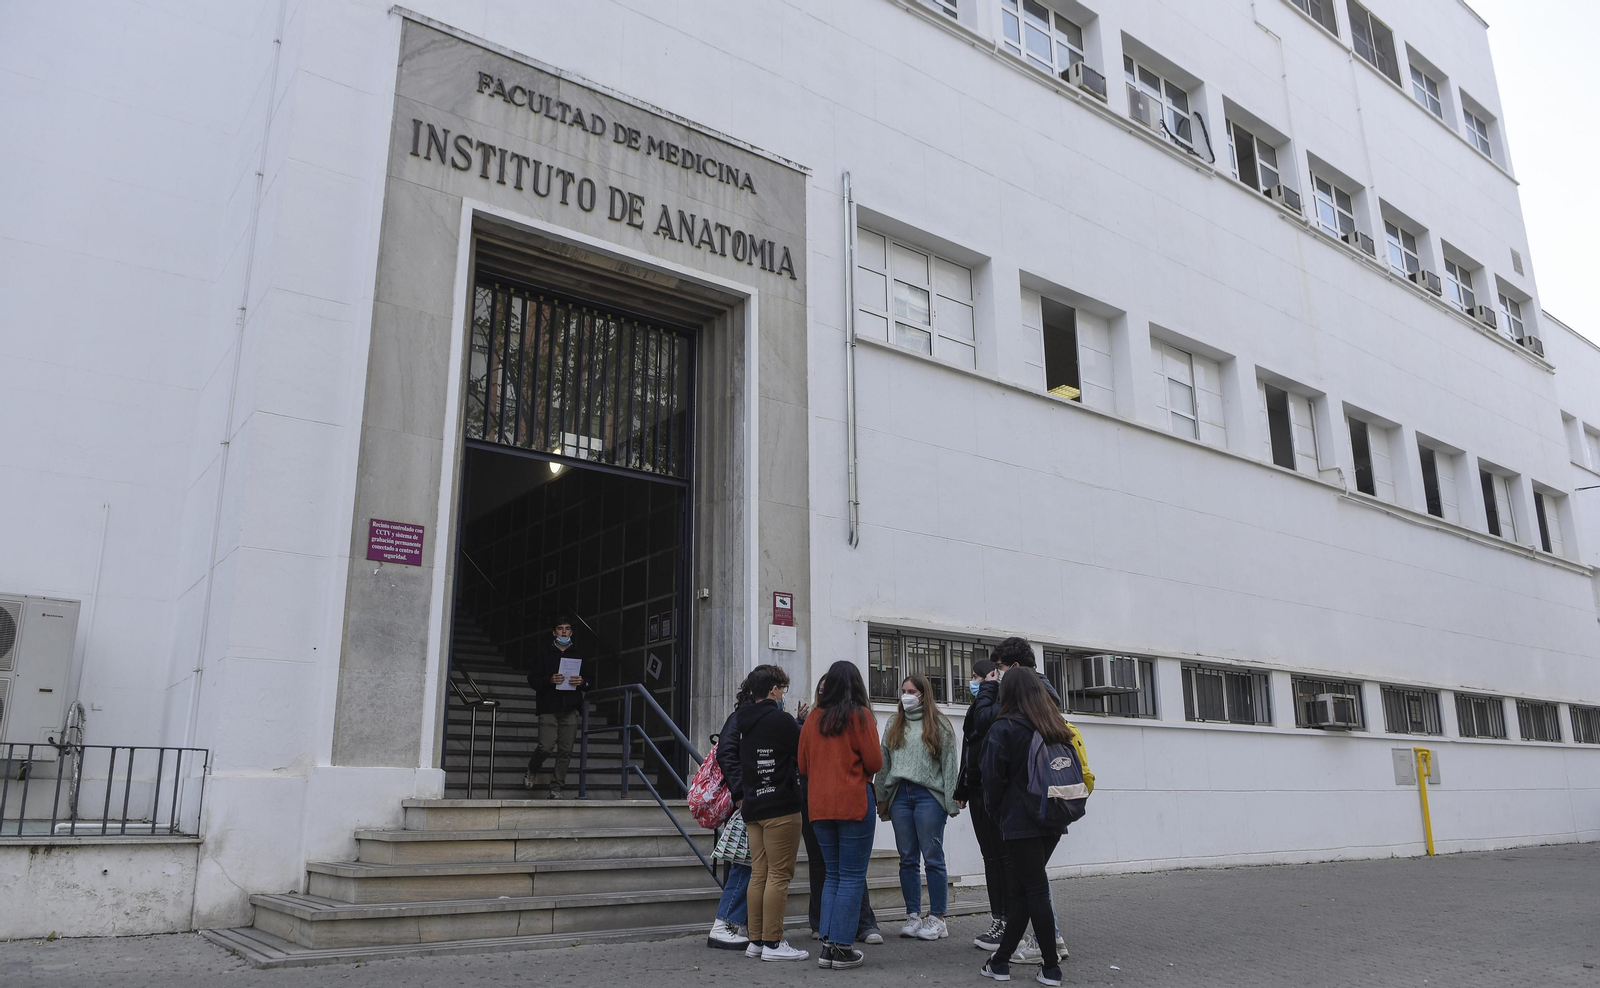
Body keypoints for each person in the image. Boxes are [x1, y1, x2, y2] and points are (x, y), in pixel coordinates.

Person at [980, 666, 1073, 986]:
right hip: (1054, 815)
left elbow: (991, 779)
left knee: (1034, 889)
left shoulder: (1003, 727)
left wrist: (996, 812)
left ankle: (1051, 967)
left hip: (1021, 820)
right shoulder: (1053, 723)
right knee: (1022, 889)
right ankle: (1000, 962)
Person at [798, 660, 883, 971]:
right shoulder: (859, 716)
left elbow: (803, 767)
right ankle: (843, 948)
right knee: (851, 877)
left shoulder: (812, 720)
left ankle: (828, 945)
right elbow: (874, 763)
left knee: (832, 875)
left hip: (819, 806)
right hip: (853, 802)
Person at [874, 673, 960, 942]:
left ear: (924, 694)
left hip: (928, 797)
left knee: (932, 856)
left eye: (912, 690)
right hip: (900, 795)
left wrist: (950, 801)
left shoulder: (940, 724)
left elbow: (949, 764)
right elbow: (884, 761)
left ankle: (938, 918)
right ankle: (913, 915)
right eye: (903, 690)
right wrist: (881, 796)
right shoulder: (893, 723)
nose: (906, 695)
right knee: (907, 858)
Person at [736, 663, 808, 962]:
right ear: (773, 689)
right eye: (783, 689)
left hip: (754, 806)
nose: (783, 694)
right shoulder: (781, 720)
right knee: (779, 875)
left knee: (759, 874)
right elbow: (803, 755)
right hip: (781, 805)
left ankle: (755, 940)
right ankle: (774, 943)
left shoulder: (744, 720)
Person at [953, 658, 1006, 952]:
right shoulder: (978, 706)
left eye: (978, 677)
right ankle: (998, 919)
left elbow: (986, 725)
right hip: (976, 789)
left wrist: (988, 687)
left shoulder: (998, 704)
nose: (973, 682)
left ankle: (1008, 922)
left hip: (995, 790)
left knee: (1002, 857)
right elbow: (969, 750)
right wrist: (962, 787)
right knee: (990, 857)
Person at [706, 674, 759, 950]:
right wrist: (739, 794)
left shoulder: (750, 717)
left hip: (752, 798)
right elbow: (726, 752)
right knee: (744, 863)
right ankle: (724, 923)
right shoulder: (741, 718)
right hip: (746, 800)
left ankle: (735, 923)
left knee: (748, 863)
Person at [524, 615, 589, 799]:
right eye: (560, 629)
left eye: (567, 629)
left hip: (570, 707)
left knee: (565, 751)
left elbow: (590, 680)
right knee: (545, 747)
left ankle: (556, 789)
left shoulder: (579, 654)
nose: (564, 632)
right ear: (554, 632)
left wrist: (582, 682)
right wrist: (549, 680)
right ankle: (532, 768)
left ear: (571, 632)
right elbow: (532, 679)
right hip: (548, 706)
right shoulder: (543, 653)